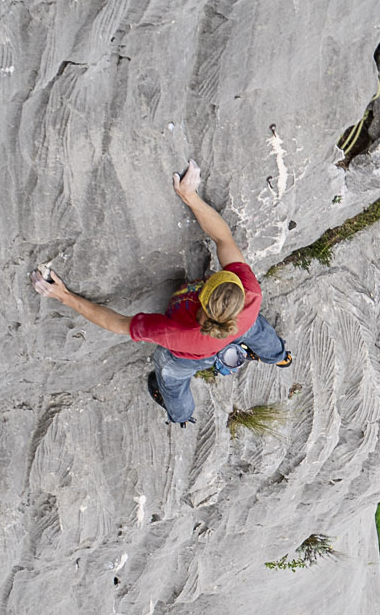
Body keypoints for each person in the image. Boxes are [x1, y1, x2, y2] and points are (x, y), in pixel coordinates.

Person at [33, 163, 292, 427]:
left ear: (202, 295)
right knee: (257, 330)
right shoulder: (249, 293)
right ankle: (279, 356)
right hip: (241, 327)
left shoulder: (177, 332)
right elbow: (223, 239)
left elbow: (118, 324)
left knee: (172, 379)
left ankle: (180, 416)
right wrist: (190, 197)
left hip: (193, 355)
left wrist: (65, 296)